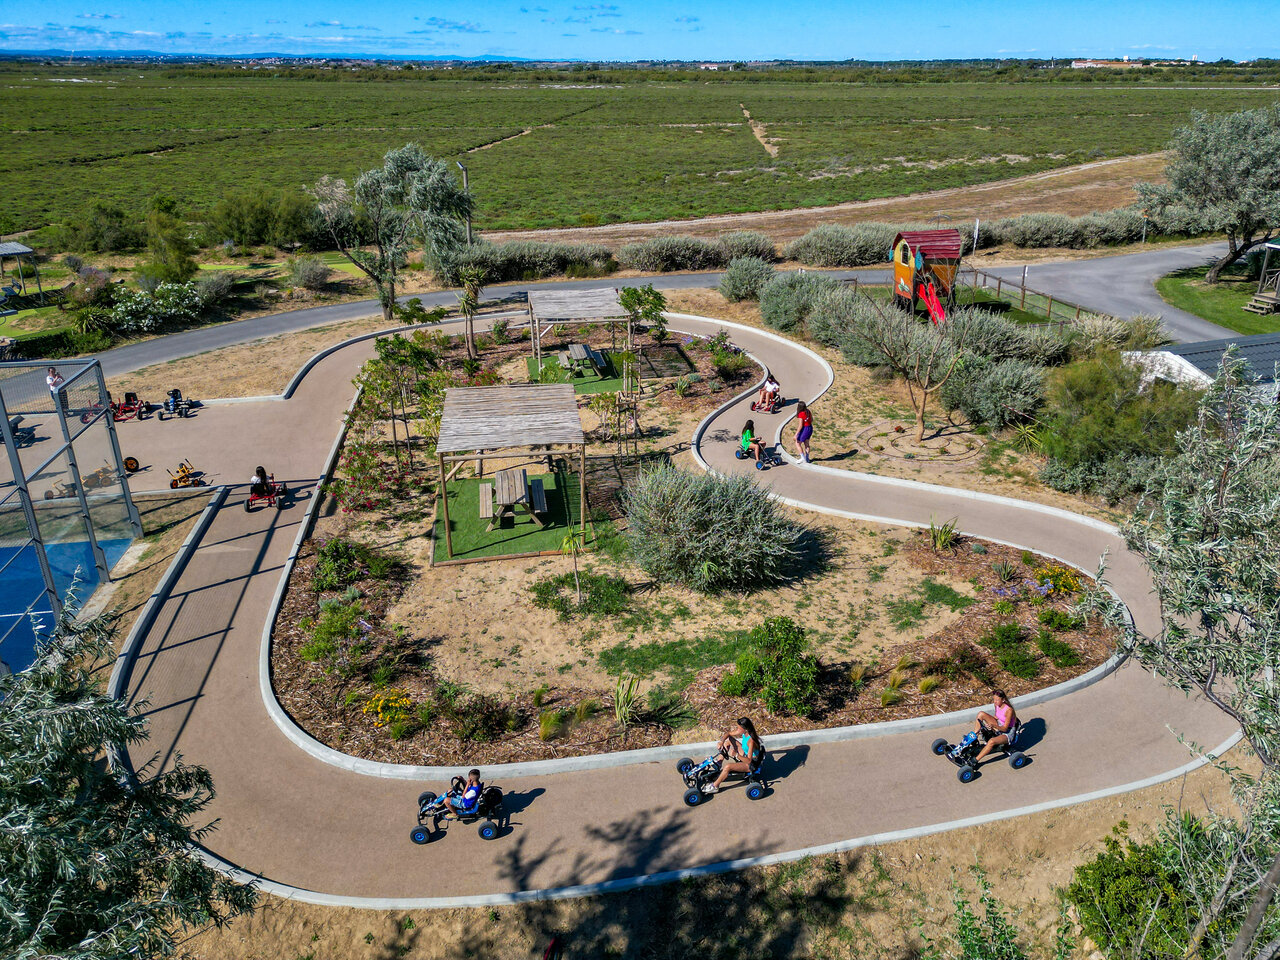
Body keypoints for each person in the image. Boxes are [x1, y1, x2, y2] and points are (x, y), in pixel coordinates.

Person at [704, 717, 765, 794]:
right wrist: (721, 742)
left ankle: (714, 786)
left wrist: (736, 755)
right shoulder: (744, 733)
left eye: (739, 728)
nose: (737, 730)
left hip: (751, 763)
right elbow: (728, 734)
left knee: (728, 767)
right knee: (728, 741)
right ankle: (719, 763)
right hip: (745, 754)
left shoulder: (751, 741)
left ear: (745, 729)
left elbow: (749, 760)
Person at [973, 690, 1020, 765]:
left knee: (991, 741)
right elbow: (996, 717)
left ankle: (975, 760)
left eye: (997, 700)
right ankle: (974, 738)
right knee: (981, 714)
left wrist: (993, 726)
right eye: (994, 699)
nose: (995, 702)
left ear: (1003, 700)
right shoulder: (996, 705)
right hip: (999, 725)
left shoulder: (1009, 710)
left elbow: (1005, 728)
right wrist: (989, 724)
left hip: (1008, 732)